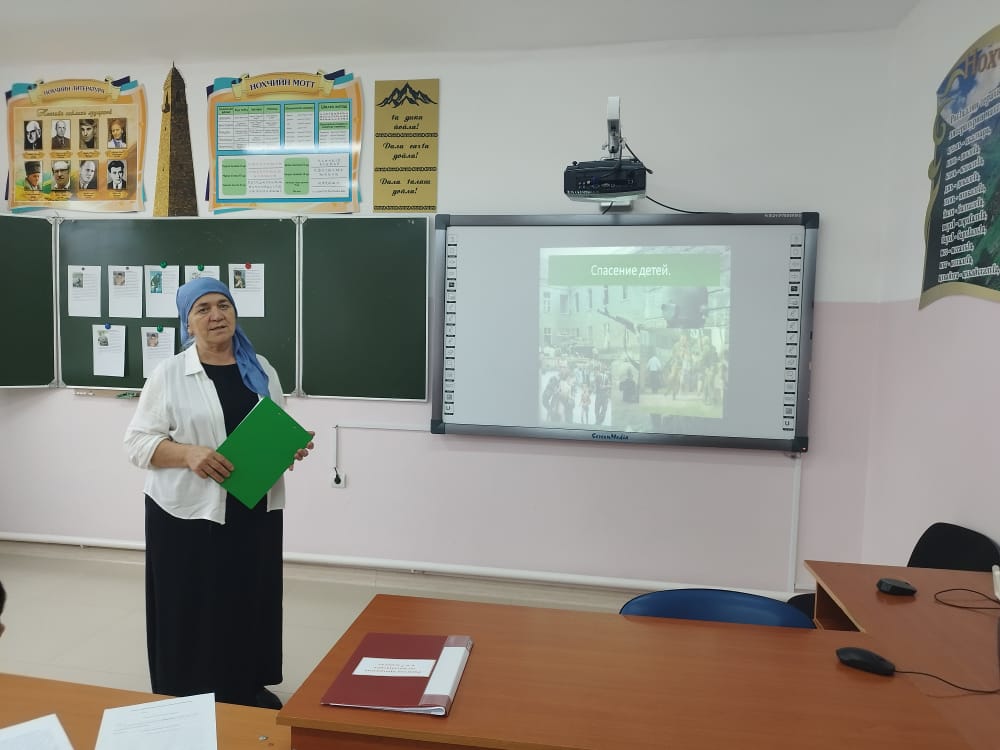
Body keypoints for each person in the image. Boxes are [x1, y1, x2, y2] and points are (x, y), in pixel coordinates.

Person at [123, 277, 313, 709]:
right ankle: (187, 694)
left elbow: (273, 426)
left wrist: (287, 449)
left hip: (254, 506)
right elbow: (136, 444)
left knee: (249, 598)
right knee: (194, 605)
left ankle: (244, 686)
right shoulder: (169, 374)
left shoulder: (260, 368)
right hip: (188, 514)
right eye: (203, 308)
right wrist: (187, 453)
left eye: (223, 305)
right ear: (187, 323)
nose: (216, 316)